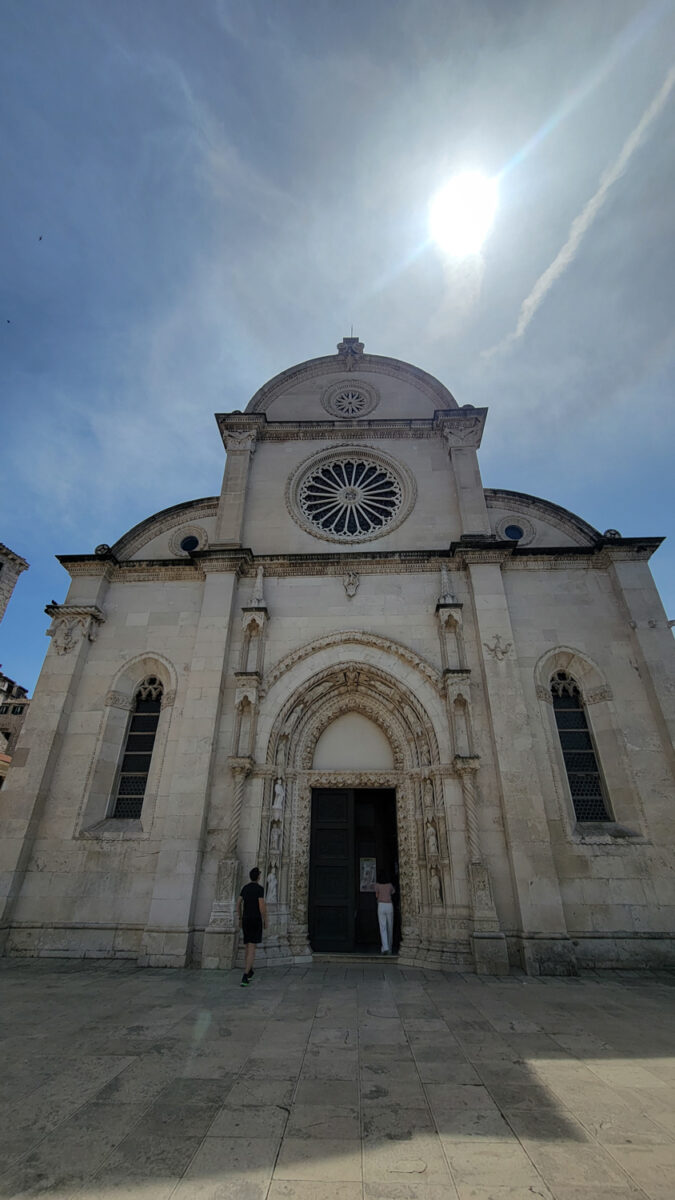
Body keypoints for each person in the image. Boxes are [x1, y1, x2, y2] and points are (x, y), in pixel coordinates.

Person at [237, 867, 267, 987]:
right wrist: (265, 919)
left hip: (245, 919)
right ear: (258, 877)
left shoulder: (245, 888)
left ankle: (249, 970)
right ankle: (245, 975)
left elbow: (238, 903)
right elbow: (261, 906)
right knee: (252, 948)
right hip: (255, 920)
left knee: (247, 946)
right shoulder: (259, 889)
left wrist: (240, 917)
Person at [374, 870, 396, 955]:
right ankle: (390, 948)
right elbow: (393, 892)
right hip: (389, 905)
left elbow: (376, 895)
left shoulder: (377, 885)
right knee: (390, 926)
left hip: (381, 905)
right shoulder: (390, 885)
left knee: (382, 927)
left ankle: (385, 947)